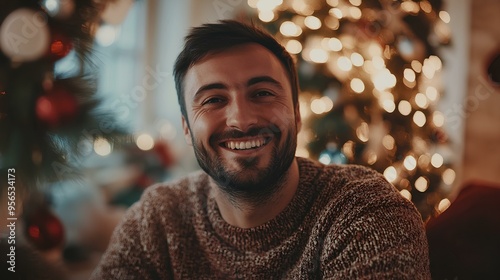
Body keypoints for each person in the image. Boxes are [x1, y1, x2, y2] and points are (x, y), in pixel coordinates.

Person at [91, 20, 430, 279]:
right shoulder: (157, 220)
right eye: (213, 100)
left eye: (262, 93)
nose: (241, 119)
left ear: (297, 113)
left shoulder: (364, 210)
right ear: (186, 128)